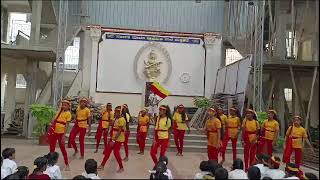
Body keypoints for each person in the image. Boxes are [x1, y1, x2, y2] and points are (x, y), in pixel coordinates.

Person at [98, 106, 126, 173]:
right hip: (113, 138)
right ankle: (102, 165)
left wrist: (113, 140)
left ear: (121, 112)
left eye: (118, 111)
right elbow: (110, 124)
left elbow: (119, 131)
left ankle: (121, 167)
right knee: (108, 151)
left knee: (116, 153)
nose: (116, 113)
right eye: (116, 111)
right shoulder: (115, 119)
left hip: (118, 139)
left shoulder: (122, 119)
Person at [48, 100, 71, 170]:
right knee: (51, 149)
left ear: (68, 106)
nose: (63, 106)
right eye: (63, 105)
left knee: (63, 149)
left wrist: (64, 135)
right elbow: (53, 120)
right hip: (54, 132)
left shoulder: (68, 113)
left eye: (65, 105)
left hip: (61, 133)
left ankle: (67, 164)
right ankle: (50, 164)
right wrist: (51, 123)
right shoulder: (59, 112)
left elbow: (67, 125)